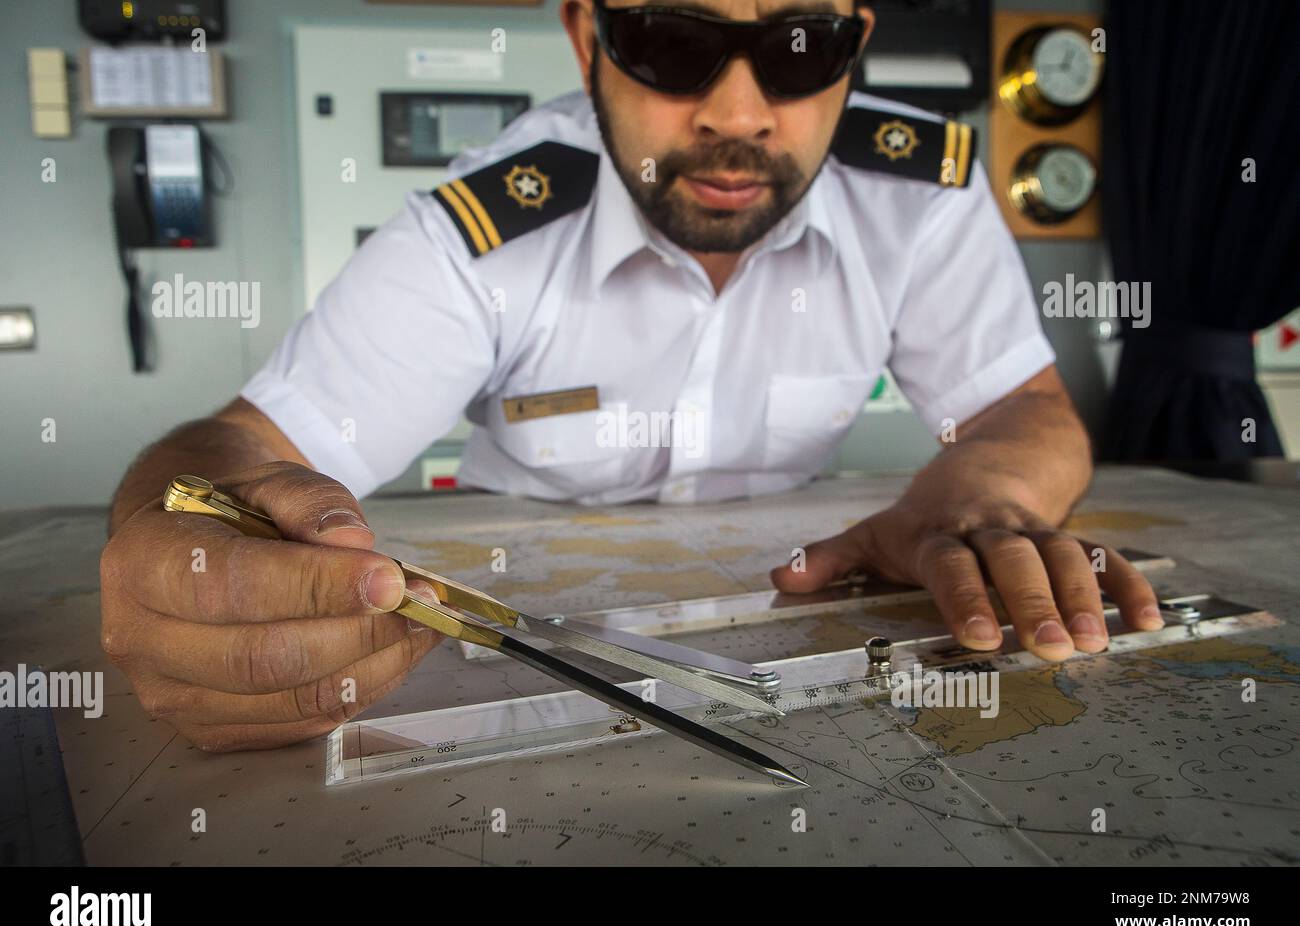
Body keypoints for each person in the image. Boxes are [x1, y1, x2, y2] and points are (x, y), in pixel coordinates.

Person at [100, 0, 1161, 752]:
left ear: (855, 42)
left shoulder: (918, 192)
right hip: (526, 650)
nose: (736, 115)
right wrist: (190, 545)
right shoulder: (485, 229)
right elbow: (243, 452)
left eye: (799, 47)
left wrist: (981, 498)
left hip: (794, 634)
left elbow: (1022, 409)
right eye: (669, 40)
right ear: (585, 33)